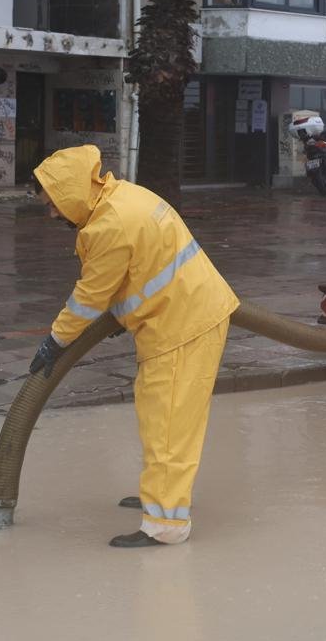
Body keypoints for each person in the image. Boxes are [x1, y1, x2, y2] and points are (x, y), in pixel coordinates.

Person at [29, 145, 239, 548]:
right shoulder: (122, 196)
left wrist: (56, 341)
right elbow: (141, 269)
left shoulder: (109, 227)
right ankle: (157, 496)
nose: (52, 213)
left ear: (72, 192)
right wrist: (125, 313)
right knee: (156, 415)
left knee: (168, 428)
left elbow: (88, 298)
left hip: (183, 326)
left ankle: (165, 526)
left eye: (53, 204)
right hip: (180, 315)